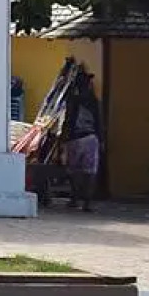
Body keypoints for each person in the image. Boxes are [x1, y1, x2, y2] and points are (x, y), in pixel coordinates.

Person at [61, 72, 103, 212]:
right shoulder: (94, 101)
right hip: (91, 139)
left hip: (75, 139)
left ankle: (74, 199)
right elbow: (99, 122)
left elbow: (67, 121)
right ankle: (87, 203)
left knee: (73, 171)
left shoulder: (72, 100)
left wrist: (63, 139)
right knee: (90, 172)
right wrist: (101, 139)